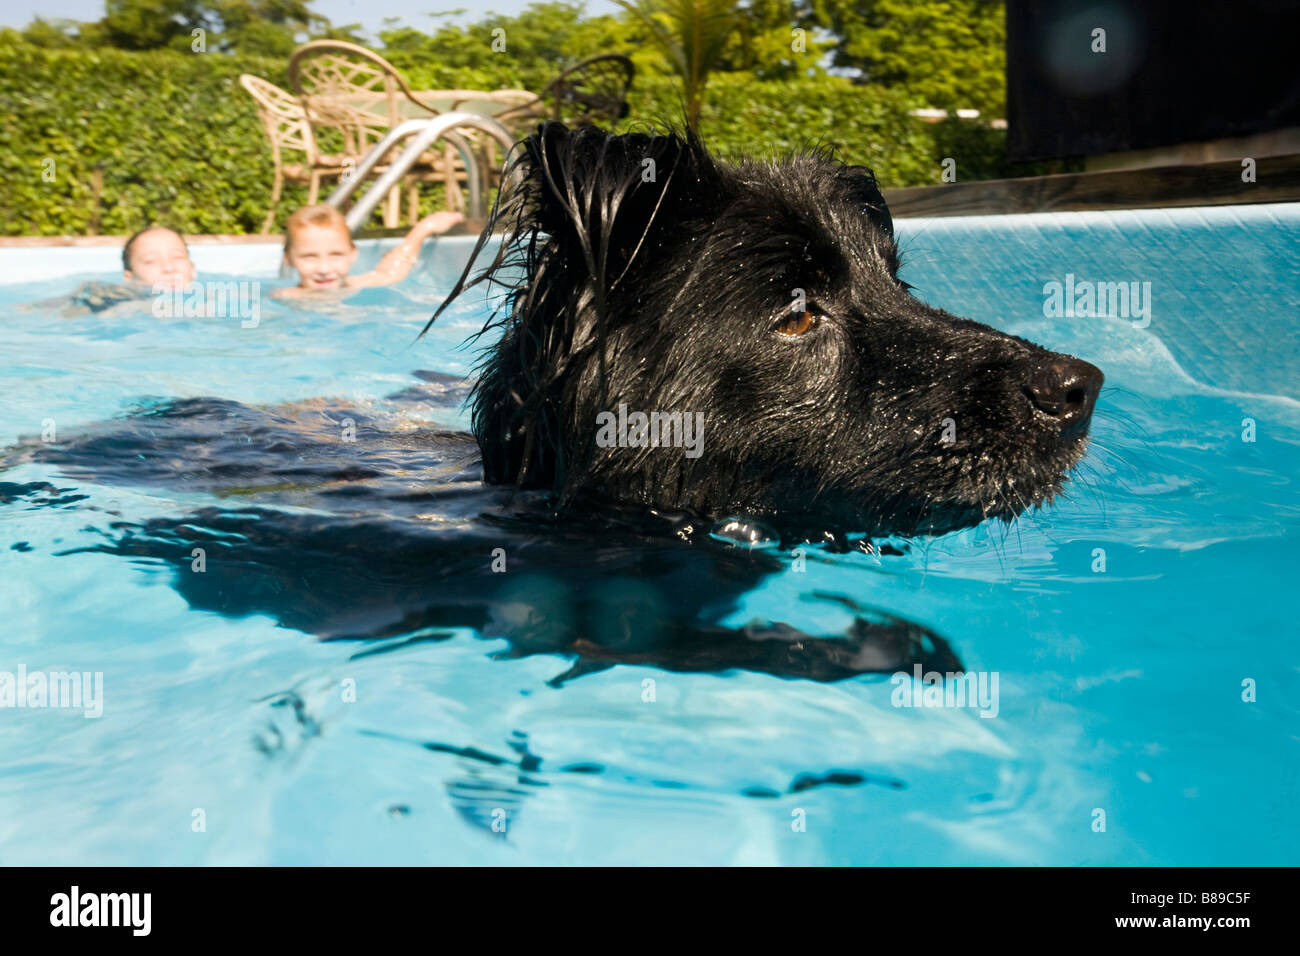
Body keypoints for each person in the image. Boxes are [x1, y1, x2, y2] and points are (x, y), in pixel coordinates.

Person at [275, 205, 463, 298]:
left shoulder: (357, 284)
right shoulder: (285, 297)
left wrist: (424, 228)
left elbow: (393, 271)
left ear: (352, 254)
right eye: (310, 257)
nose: (324, 268)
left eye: (336, 255)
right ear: (288, 259)